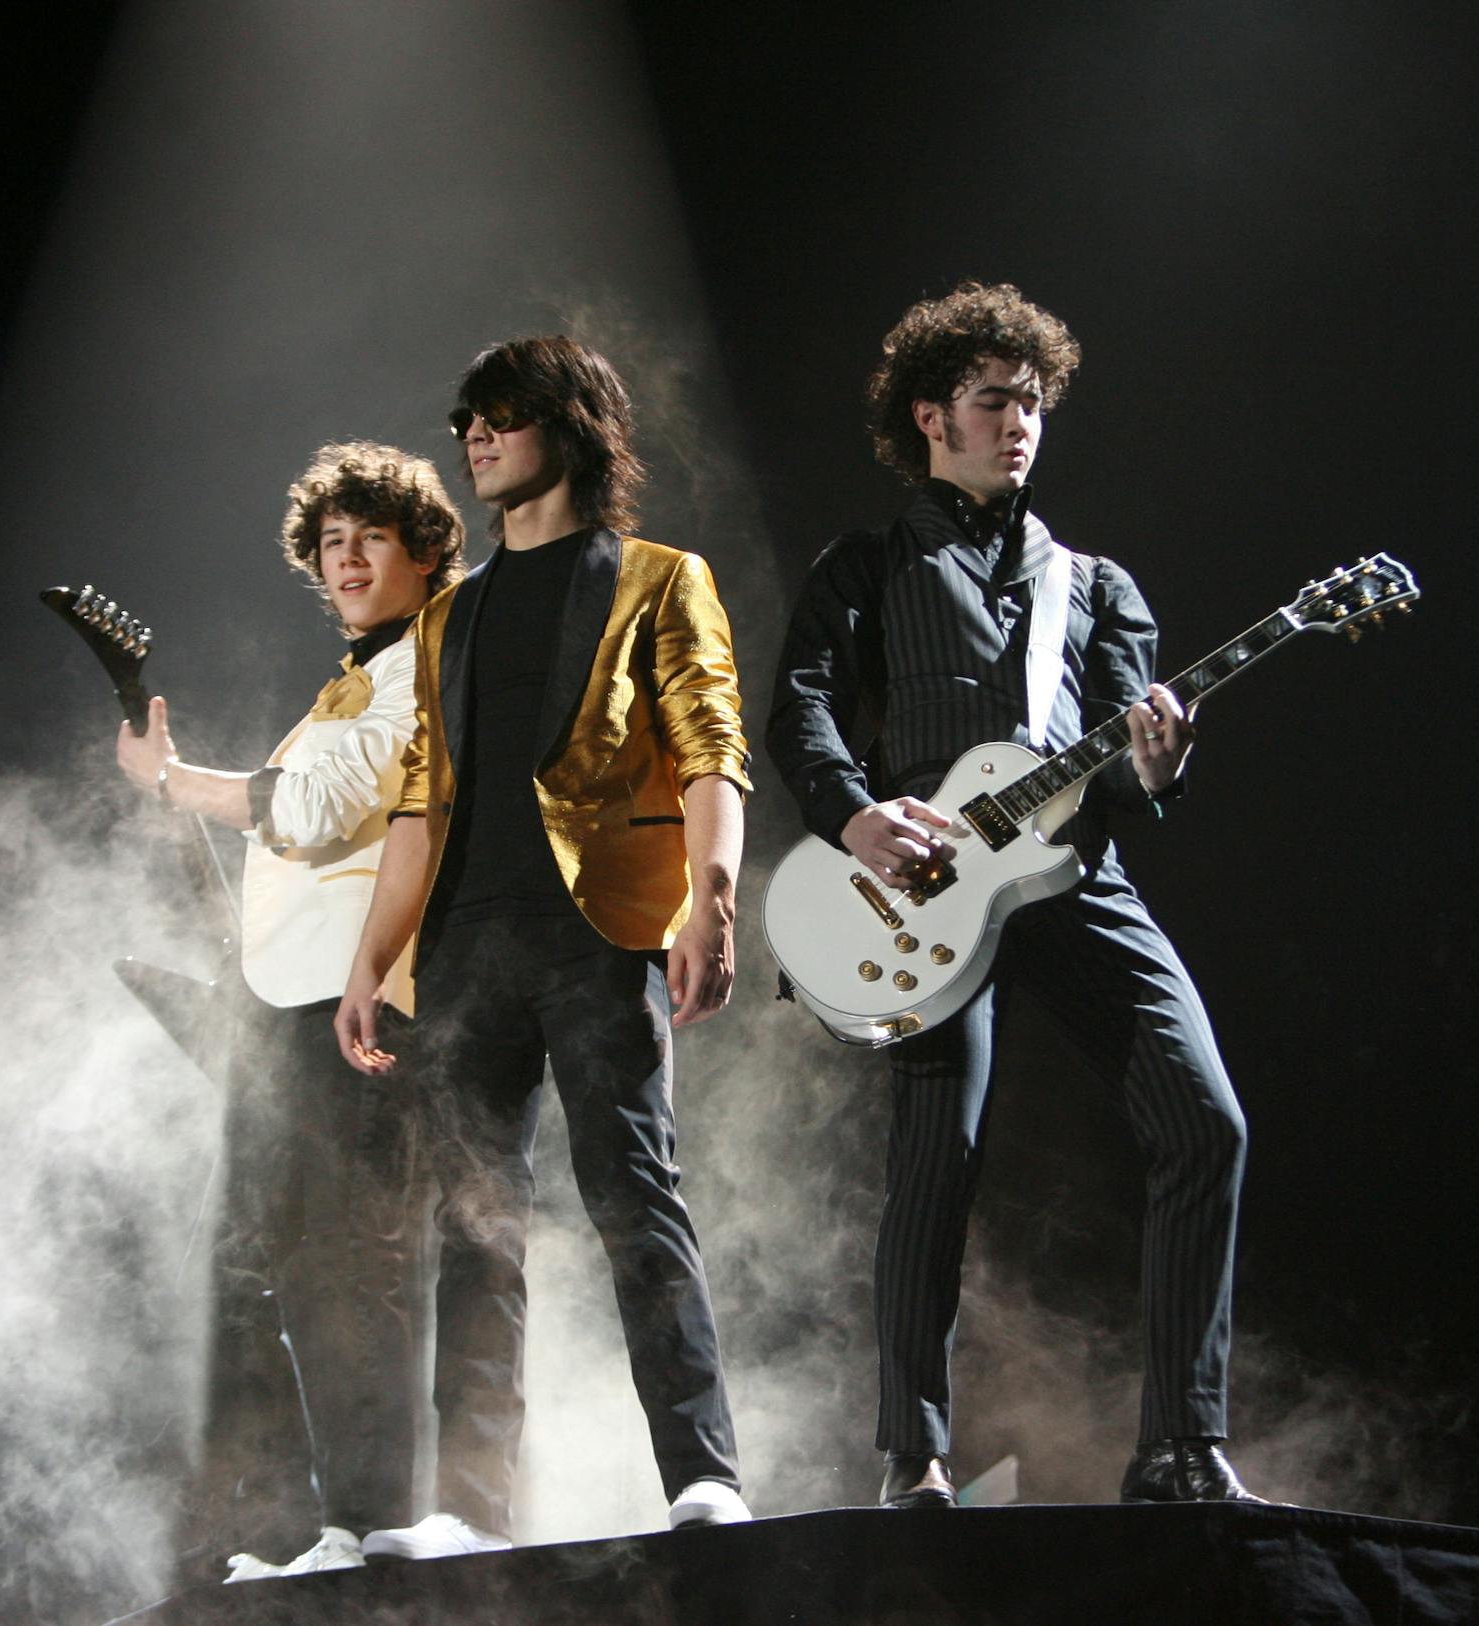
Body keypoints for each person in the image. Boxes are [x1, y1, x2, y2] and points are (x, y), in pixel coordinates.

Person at [766, 281, 1260, 1508]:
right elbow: (801, 711)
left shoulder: (1094, 586)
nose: (1019, 424)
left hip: (1074, 876)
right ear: (931, 417)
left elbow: (1128, 777)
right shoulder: (867, 566)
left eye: (1033, 404)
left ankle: (1179, 1448)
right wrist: (857, 815)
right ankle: (912, 1457)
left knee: (1207, 1124)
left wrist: (1159, 768)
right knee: (939, 1163)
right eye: (994, 402)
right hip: (925, 887)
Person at [334, 335, 752, 1557]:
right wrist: (371, 962)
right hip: (466, 946)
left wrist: (711, 902)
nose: (477, 436)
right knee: (472, 1227)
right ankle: (471, 1513)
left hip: (599, 933)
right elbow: (420, 802)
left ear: (570, 425)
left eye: (502, 413)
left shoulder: (658, 579)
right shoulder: (447, 615)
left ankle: (704, 1477)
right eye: (468, 417)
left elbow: (711, 749)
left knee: (634, 1196)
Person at [115, 441, 466, 1578]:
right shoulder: (351, 683)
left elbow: (314, 809)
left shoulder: (427, 665)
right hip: (295, 1001)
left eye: (373, 538)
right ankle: (343, 1526)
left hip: (363, 1001)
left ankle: (384, 1521)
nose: (348, 560)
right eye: (331, 543)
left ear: (425, 550)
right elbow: (293, 819)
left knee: (359, 1259)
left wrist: (177, 783)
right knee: (290, 1266)